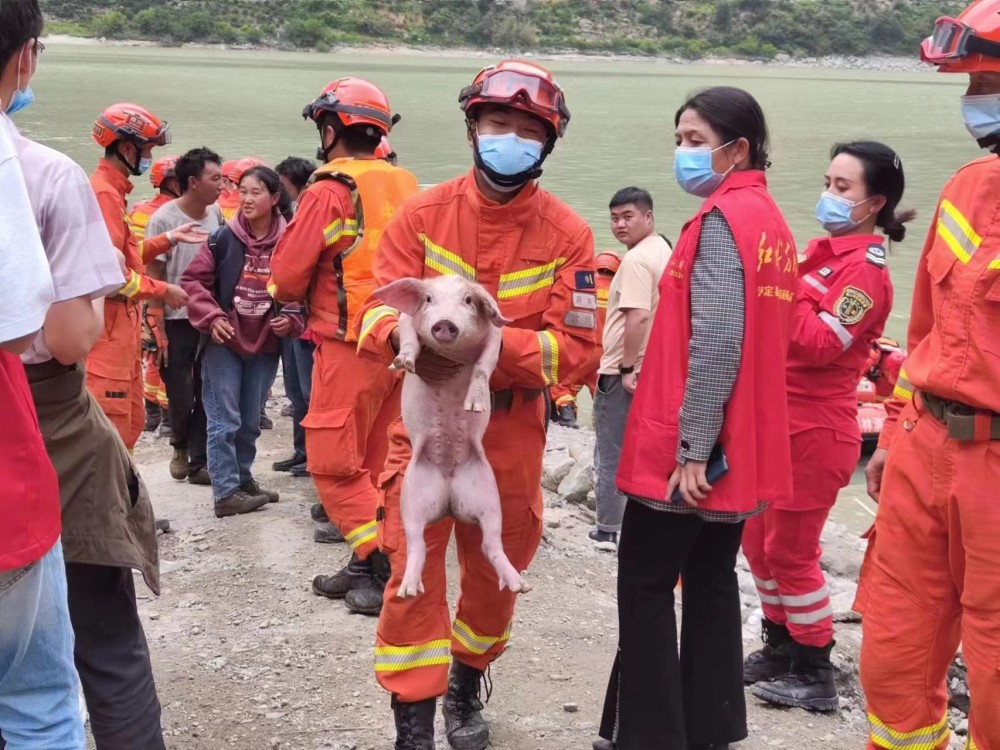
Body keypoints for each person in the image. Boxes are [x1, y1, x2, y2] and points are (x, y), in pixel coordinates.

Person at [353, 59, 596, 749]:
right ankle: (413, 723)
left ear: (547, 144)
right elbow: (370, 312)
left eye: (527, 129)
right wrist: (403, 346)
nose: (510, 138)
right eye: (497, 123)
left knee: (495, 578)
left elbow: (573, 351)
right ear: (472, 128)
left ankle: (465, 681)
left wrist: (474, 349)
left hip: (510, 435)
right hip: (424, 431)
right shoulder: (420, 215)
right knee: (410, 572)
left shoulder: (569, 236)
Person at [596, 87, 796, 750]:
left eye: (693, 139)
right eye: (679, 140)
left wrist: (692, 446)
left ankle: (650, 736)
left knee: (646, 586)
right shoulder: (771, 222)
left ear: (735, 148)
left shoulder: (717, 222)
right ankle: (711, 727)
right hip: (744, 442)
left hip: (693, 448)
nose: (682, 153)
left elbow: (715, 339)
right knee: (711, 581)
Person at [3, 4, 167, 745]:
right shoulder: (48, 175)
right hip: (46, 417)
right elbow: (68, 337)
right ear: (26, 59)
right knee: (97, 643)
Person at [857, 3, 1000, 747]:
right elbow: (926, 331)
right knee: (893, 653)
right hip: (923, 447)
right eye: (972, 81)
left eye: (989, 79)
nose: (977, 98)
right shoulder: (967, 185)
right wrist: (891, 433)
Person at [741, 141, 909, 712]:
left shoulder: (864, 274)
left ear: (874, 203)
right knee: (758, 545)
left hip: (815, 431)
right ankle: (780, 644)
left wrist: (776, 288)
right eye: (828, 182)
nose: (830, 195)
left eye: (844, 188)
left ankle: (816, 669)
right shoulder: (823, 256)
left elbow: (817, 344)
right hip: (777, 422)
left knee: (790, 551)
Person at [269, 77, 419, 615]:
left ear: (331, 129)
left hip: (347, 341)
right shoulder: (406, 183)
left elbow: (287, 275)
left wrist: (279, 292)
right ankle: (367, 566)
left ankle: (379, 561)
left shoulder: (329, 189)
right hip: (399, 345)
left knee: (332, 464)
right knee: (381, 465)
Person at [0, 62, 84, 749]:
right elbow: (40, 329)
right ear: (24, 58)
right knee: (36, 699)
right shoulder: (42, 168)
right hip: (27, 437)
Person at [182, 166, 300, 518]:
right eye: (243, 191)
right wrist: (213, 317)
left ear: (275, 198)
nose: (246, 199)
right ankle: (226, 493)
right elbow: (194, 282)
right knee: (224, 420)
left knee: (249, 420)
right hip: (224, 341)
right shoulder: (222, 238)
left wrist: (292, 317)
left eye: (256, 192)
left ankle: (243, 478)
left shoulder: (290, 240)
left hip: (265, 342)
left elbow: (301, 286)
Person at [88, 104, 204, 450]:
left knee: (132, 422)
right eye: (148, 150)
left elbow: (125, 253)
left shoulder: (113, 191)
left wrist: (167, 239)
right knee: (114, 435)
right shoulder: (105, 195)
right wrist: (164, 289)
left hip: (119, 335)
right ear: (127, 148)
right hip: (108, 337)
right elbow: (112, 275)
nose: (149, 158)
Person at [589, 187, 672, 549]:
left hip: (625, 372)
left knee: (610, 450)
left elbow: (637, 316)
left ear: (648, 217)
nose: (620, 224)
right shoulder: (664, 250)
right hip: (653, 369)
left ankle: (608, 528)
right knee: (641, 449)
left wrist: (625, 368)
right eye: (615, 217)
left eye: (628, 216)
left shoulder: (637, 260)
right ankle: (642, 523)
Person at [145, 147, 225, 485]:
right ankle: (179, 444)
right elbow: (153, 272)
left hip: (207, 315)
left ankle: (199, 461)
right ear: (192, 182)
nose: (223, 184)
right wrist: (155, 326)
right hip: (175, 318)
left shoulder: (217, 214)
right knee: (180, 390)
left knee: (209, 388)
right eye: (215, 178)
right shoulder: (163, 219)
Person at [272, 155, 319, 481]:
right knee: (295, 391)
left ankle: (314, 457)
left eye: (282, 186)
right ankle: (302, 453)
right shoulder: (292, 217)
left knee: (309, 393)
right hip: (292, 318)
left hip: (308, 321)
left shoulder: (310, 216)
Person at [131, 155, 180, 435]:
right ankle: (167, 418)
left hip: (136, 293)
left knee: (150, 355)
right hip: (161, 291)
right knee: (167, 354)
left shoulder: (138, 210)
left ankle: (151, 416)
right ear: (174, 182)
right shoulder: (173, 214)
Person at [548, 250, 619, 428]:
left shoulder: (587, 286)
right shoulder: (620, 289)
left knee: (562, 384)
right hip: (608, 352)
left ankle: (568, 419)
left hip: (586, 347)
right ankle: (601, 427)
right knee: (599, 389)